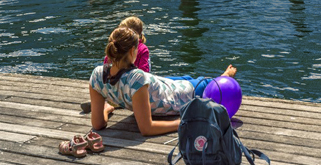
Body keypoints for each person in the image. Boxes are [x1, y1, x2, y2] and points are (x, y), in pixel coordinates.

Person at [88, 27, 236, 136]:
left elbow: (98, 124)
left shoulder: (97, 75)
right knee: (204, 84)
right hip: (179, 94)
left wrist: (104, 109)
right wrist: (183, 122)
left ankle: (212, 77)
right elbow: (147, 129)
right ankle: (225, 76)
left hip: (157, 87)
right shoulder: (136, 79)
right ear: (133, 51)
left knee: (186, 78)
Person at [81, 16, 150, 113]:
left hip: (115, 89)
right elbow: (145, 72)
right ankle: (107, 104)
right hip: (134, 88)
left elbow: (106, 70)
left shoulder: (117, 47)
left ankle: (104, 104)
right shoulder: (142, 49)